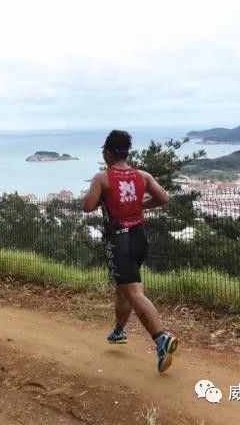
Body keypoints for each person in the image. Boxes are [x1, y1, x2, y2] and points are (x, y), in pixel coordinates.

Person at [82, 130, 178, 373]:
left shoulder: (102, 178)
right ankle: (118, 332)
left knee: (133, 292)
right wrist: (140, 204)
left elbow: (87, 206)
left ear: (108, 153)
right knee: (123, 288)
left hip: (119, 241)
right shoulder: (142, 176)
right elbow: (164, 198)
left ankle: (160, 338)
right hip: (138, 238)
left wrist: (102, 193)